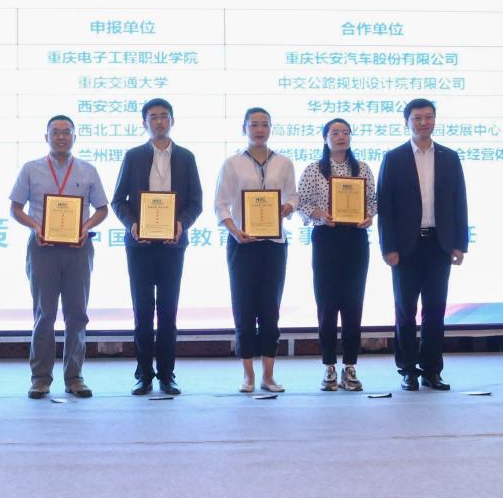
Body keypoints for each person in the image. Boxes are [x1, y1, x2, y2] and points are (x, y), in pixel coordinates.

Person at [9, 115, 108, 399]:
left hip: (78, 249)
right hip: (42, 249)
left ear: (75, 137)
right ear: (47, 137)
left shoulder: (88, 170)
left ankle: (74, 377)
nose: (61, 137)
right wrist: (35, 226)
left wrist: (86, 227)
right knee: (44, 314)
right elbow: (15, 208)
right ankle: (40, 378)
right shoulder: (31, 169)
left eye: (67, 132)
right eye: (56, 132)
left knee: (77, 314)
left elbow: (102, 209)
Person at [111, 98, 203, 396]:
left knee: (167, 311)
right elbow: (118, 201)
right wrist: (132, 224)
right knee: (142, 311)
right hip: (139, 244)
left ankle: (166, 374)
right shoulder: (133, 156)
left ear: (172, 121)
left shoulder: (186, 157)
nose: (159, 121)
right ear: (144, 123)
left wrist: (181, 224)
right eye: (153, 117)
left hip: (173, 244)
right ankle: (143, 375)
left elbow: (195, 202)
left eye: (164, 116)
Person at [377, 98, 468, 392]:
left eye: (428, 117)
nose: (423, 122)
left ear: (435, 120)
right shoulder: (394, 158)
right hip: (405, 247)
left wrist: (459, 244)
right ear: (407, 122)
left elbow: (459, 201)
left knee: (435, 310)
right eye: (417, 118)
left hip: (439, 244)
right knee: (405, 311)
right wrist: (388, 247)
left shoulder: (449, 157)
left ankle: (432, 370)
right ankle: (407, 370)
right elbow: (385, 207)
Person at [214, 107, 297, 393]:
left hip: (274, 245)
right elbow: (220, 204)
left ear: (271, 128)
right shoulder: (232, 164)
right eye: (254, 125)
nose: (260, 130)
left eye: (264, 124)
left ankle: (268, 376)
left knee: (270, 310)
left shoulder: (284, 163)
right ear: (244, 128)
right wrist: (234, 230)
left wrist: (287, 208)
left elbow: (293, 196)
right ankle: (248, 376)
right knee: (244, 308)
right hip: (242, 244)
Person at [296, 118, 377, 392]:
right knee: (327, 304)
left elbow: (373, 202)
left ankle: (350, 366)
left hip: (355, 239)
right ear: (325, 138)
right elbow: (301, 202)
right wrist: (319, 213)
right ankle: (329, 366)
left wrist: (368, 216)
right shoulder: (314, 169)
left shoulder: (362, 168)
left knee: (354, 304)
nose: (341, 136)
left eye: (345, 132)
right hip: (326, 238)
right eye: (335, 132)